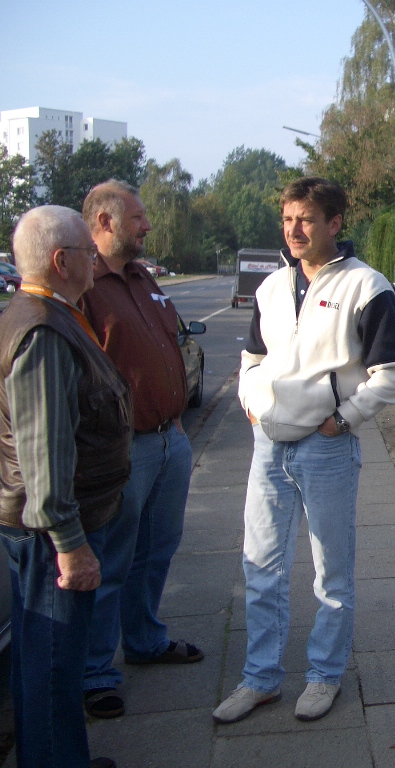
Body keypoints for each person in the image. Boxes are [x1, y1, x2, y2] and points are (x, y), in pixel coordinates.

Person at [214, 177, 395, 724]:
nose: (293, 230)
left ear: (334, 223)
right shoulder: (271, 287)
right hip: (268, 445)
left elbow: (394, 374)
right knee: (261, 567)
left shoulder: (365, 285)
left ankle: (324, 675)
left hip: (326, 449)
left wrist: (343, 418)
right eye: (287, 219)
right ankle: (260, 679)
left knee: (332, 574)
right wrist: (251, 400)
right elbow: (253, 358)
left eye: (305, 219)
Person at [0, 205, 131, 768]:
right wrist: (70, 544)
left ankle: (55, 755)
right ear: (62, 261)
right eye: (87, 252)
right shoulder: (43, 331)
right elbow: (44, 452)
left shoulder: (48, 314)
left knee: (42, 660)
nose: (96, 260)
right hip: (51, 536)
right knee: (53, 665)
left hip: (49, 529)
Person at [79, 180, 203, 721]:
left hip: (170, 439)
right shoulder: (83, 283)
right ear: (104, 222)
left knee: (158, 549)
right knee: (111, 561)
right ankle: (95, 672)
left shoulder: (142, 277)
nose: (147, 225)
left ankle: (145, 640)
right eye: (137, 218)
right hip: (123, 451)